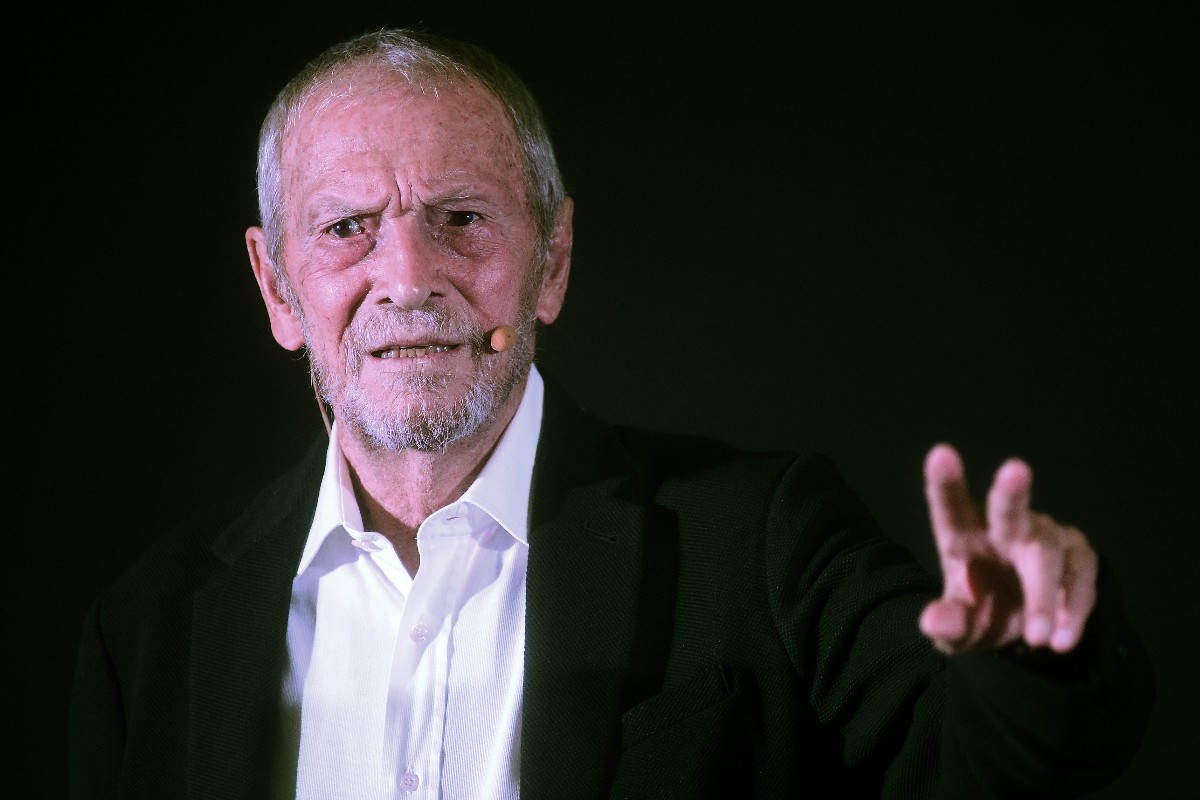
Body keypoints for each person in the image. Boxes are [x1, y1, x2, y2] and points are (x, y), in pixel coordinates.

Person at [69, 28, 1153, 799]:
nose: (408, 276)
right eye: (348, 226)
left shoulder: (764, 539)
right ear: (277, 288)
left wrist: (1031, 659)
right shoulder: (150, 627)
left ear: (553, 259)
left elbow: (976, 755)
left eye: (461, 218)